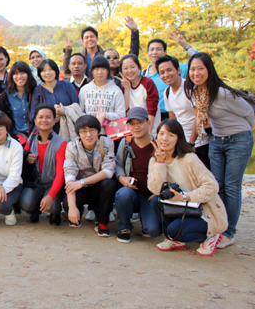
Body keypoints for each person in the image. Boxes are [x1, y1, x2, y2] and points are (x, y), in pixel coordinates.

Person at [184, 52, 255, 249]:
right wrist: (191, 143)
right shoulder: (196, 93)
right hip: (215, 139)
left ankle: (229, 232)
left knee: (232, 186)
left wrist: (241, 132)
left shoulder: (222, 93)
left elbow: (249, 113)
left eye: (201, 68)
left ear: (209, 70)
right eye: (192, 69)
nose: (196, 73)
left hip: (238, 140)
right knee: (217, 185)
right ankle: (218, 225)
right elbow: (199, 120)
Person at [149, 119, 228, 256]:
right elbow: (155, 189)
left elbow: (212, 186)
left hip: (202, 210)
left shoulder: (189, 159)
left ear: (178, 138)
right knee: (156, 201)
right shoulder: (155, 160)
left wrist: (186, 197)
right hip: (179, 206)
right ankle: (176, 240)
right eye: (161, 134)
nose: (164, 139)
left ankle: (211, 235)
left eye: (171, 135)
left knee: (174, 231)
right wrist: (160, 162)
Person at [63, 115, 116, 236]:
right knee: (67, 203)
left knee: (109, 184)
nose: (89, 135)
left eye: (92, 130)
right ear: (78, 134)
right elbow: (69, 175)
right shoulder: (72, 147)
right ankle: (77, 212)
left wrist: (82, 182)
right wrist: (71, 207)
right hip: (80, 188)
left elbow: (108, 171)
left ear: (98, 131)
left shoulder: (107, 143)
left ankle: (102, 222)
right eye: (84, 131)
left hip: (97, 186)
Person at [114, 107, 162, 243]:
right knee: (123, 194)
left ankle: (147, 220)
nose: (136, 127)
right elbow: (118, 163)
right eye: (132, 123)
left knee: (153, 231)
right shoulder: (126, 142)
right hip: (132, 192)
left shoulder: (158, 144)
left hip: (151, 195)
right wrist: (122, 178)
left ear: (148, 122)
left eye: (140, 122)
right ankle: (124, 227)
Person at [156, 55, 210, 169]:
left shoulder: (191, 88)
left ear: (178, 70)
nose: (166, 75)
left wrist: (191, 143)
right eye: (162, 72)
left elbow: (198, 117)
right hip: (182, 145)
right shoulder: (167, 92)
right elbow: (172, 122)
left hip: (200, 143)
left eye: (169, 70)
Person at [18, 104, 67, 225]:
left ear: (55, 120)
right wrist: (27, 159)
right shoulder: (31, 139)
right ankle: (35, 210)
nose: (44, 120)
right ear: (35, 121)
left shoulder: (61, 144)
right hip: (35, 183)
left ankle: (55, 213)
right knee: (26, 204)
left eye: (48, 117)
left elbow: (61, 174)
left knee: (53, 205)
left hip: (52, 183)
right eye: (40, 117)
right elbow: (23, 162)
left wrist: (50, 195)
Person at [139, 32, 198, 120]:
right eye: (152, 49)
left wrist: (186, 46)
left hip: (178, 115)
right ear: (148, 53)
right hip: (153, 117)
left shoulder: (177, 68)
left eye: (158, 49)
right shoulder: (142, 75)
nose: (155, 52)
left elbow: (201, 61)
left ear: (165, 52)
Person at [29, 59, 80, 135]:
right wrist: (51, 118)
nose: (47, 73)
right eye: (43, 71)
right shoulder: (37, 90)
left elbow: (77, 107)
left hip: (69, 131)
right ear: (39, 73)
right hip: (47, 134)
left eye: (50, 69)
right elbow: (33, 116)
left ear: (56, 71)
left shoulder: (67, 85)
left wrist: (64, 112)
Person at [79, 56, 125, 130]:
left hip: (109, 134)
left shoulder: (116, 90)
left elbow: (121, 115)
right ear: (92, 71)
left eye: (103, 69)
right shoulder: (85, 89)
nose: (100, 72)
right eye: (96, 69)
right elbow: (80, 112)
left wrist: (105, 115)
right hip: (88, 133)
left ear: (108, 71)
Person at [118, 54, 160, 133]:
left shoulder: (148, 82)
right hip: (135, 132)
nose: (129, 71)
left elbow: (152, 110)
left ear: (139, 68)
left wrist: (148, 133)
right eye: (126, 68)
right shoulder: (124, 86)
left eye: (132, 67)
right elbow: (124, 110)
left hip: (151, 130)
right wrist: (127, 89)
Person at [0, 61, 37, 139]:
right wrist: (15, 136)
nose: (19, 77)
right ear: (11, 76)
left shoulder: (35, 92)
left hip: (35, 137)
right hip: (15, 138)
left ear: (28, 74)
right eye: (16, 73)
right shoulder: (5, 96)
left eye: (22, 73)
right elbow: (3, 122)